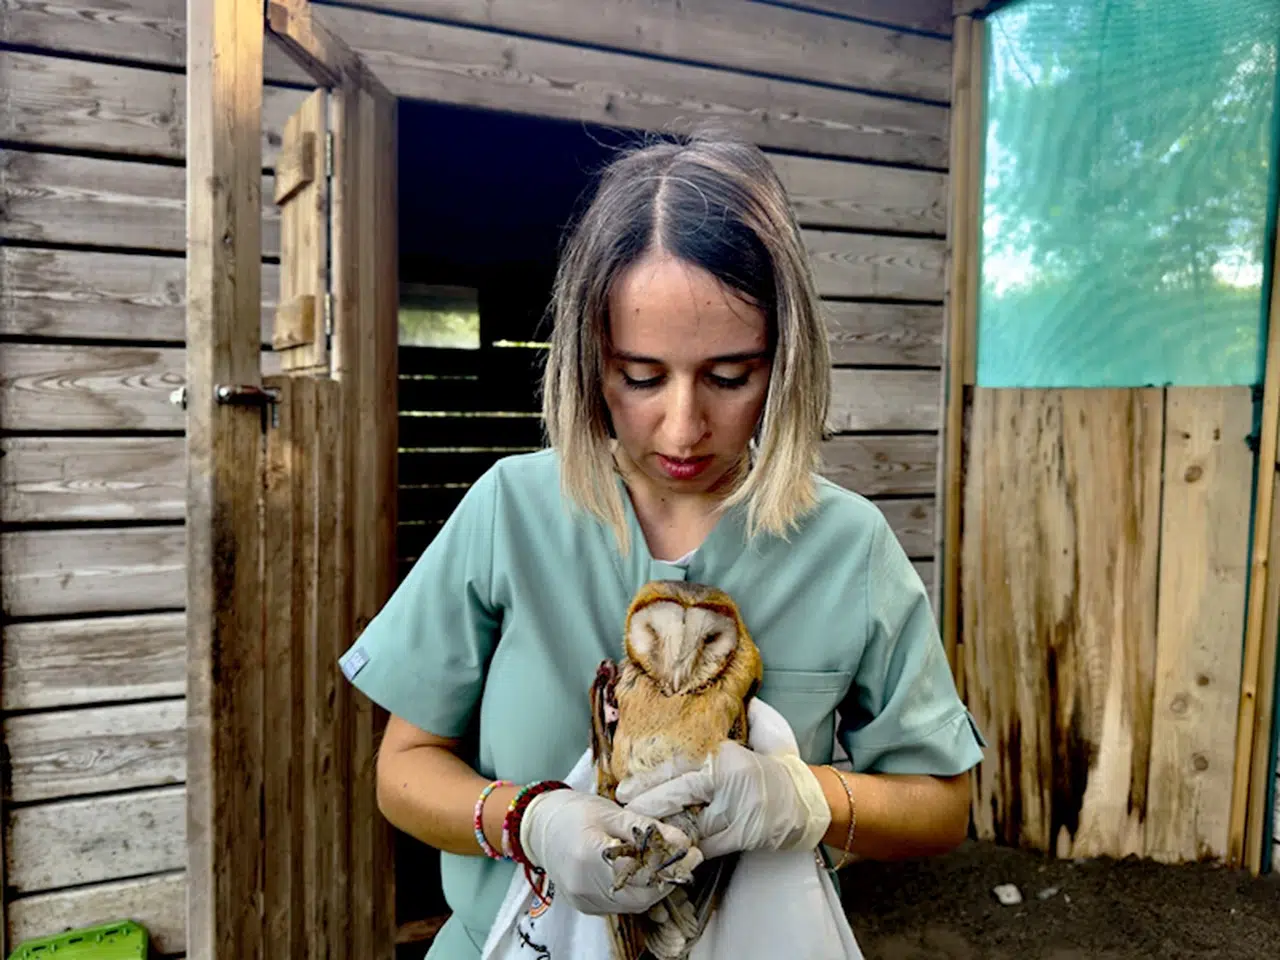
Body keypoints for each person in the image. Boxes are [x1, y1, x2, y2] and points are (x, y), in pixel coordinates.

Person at [337, 129, 985, 958]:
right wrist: (530, 821)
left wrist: (801, 800)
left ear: (787, 361)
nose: (683, 428)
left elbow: (941, 806)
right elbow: (402, 771)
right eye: (641, 376)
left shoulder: (846, 543)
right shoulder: (511, 509)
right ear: (589, 359)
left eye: (730, 376)